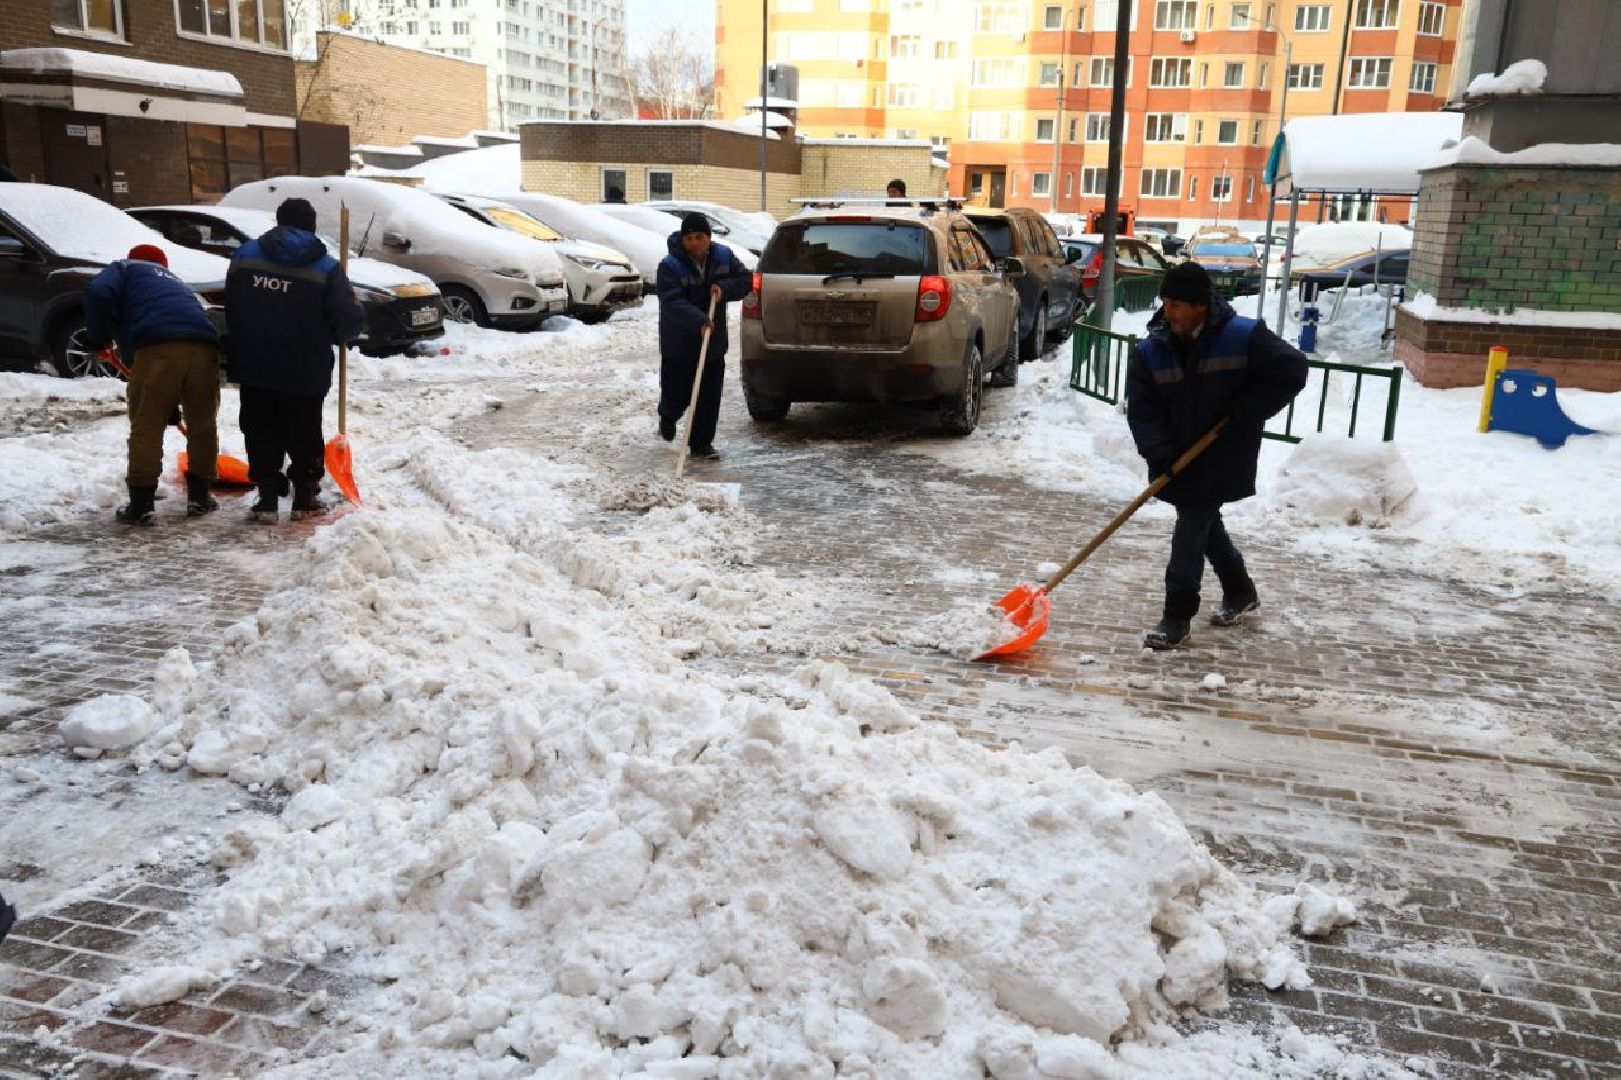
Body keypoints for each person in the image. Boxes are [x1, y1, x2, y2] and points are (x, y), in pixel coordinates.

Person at [1125, 262, 1308, 650]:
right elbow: (1143, 409)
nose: (1168, 312)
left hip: (1224, 449)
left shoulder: (1242, 336)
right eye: (1165, 302)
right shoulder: (1152, 349)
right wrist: (1159, 452)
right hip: (1178, 454)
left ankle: (1176, 616)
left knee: (1191, 527)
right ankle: (1240, 591)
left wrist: (1249, 408)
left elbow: (1292, 369)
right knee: (1204, 523)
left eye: (1177, 305)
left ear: (1201, 304)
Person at [224, 198, 364, 522]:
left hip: (255, 363)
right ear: (312, 226)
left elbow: (231, 302)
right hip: (305, 368)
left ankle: (267, 499)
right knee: (304, 431)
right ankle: (304, 498)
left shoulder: (245, 256)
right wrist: (343, 328)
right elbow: (348, 320)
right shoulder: (326, 267)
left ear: (278, 221)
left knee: (260, 429)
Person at [83, 244, 222, 525]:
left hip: (158, 348)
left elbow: (97, 292)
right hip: (205, 348)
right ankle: (200, 498)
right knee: (202, 426)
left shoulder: (124, 268)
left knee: (147, 427)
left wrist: (97, 338)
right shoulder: (177, 284)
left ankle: (141, 506)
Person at [655, 212, 752, 459]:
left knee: (708, 395)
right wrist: (698, 320)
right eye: (689, 238)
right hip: (679, 341)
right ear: (682, 240)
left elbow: (745, 280)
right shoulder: (670, 265)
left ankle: (701, 444)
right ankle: (668, 416)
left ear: (708, 237)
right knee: (677, 393)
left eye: (699, 237)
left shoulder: (724, 256)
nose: (694, 243)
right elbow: (671, 301)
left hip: (713, 344)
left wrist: (724, 289)